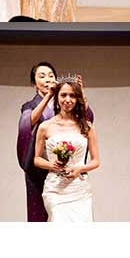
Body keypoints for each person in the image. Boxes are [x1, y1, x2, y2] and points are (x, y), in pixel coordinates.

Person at [16, 62, 94, 221]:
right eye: (42, 76)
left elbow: (87, 120)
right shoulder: (30, 105)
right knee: (42, 215)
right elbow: (27, 123)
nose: (47, 79)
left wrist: (79, 94)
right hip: (40, 169)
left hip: (69, 169)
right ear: (34, 83)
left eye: (51, 75)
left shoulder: (64, 101)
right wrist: (48, 97)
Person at [34, 80, 100, 221]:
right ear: (57, 97)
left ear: (77, 99)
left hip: (79, 188)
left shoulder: (87, 127)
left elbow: (96, 161)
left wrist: (79, 169)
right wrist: (51, 165)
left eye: (72, 95)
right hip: (55, 188)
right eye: (63, 95)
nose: (68, 100)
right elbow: (36, 159)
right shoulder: (45, 126)